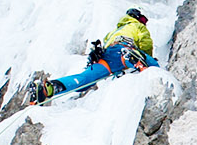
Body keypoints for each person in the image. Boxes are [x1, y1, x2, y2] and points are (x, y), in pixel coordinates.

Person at [28, 8, 160, 103]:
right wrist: (147, 56)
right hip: (123, 49)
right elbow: (146, 43)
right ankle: (132, 58)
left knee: (84, 80)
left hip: (106, 58)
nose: (144, 23)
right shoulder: (137, 26)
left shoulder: (113, 31)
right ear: (137, 18)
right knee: (154, 66)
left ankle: (49, 88)